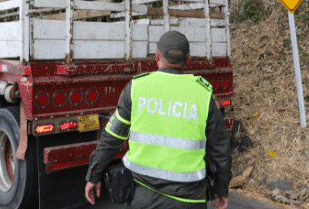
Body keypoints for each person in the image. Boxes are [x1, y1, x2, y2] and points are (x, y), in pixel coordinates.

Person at [84, 30, 232, 209]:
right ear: (188, 59)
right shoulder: (203, 94)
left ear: (157, 56)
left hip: (142, 198)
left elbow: (111, 137)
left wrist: (94, 175)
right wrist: (221, 189)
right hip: (189, 200)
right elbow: (221, 149)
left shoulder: (136, 88)